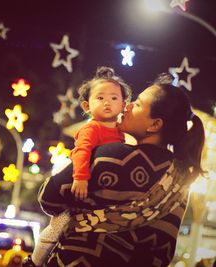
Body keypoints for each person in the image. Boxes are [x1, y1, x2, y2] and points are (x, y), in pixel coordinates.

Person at [26, 71, 205, 266]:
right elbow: (165, 250)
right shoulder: (180, 181)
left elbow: (49, 198)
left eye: (137, 104)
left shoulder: (112, 156)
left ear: (154, 125)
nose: (126, 106)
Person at [24, 67, 132, 266]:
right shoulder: (92, 128)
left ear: (124, 105)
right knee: (57, 226)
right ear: (86, 105)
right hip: (77, 183)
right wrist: (80, 177)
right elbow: (82, 151)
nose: (107, 102)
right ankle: (34, 261)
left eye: (114, 98)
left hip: (96, 195)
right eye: (100, 98)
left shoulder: (121, 133)